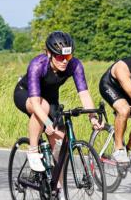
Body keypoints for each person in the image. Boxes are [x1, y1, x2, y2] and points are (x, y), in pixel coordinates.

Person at [14, 31, 104, 180]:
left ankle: (59, 190)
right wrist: (47, 122)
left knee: (61, 144)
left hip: (51, 98)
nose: (64, 61)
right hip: (27, 94)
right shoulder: (38, 64)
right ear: (49, 53)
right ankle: (33, 151)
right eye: (60, 57)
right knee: (43, 108)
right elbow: (36, 104)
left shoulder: (74, 65)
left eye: (68, 56)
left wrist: (92, 117)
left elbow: (84, 94)